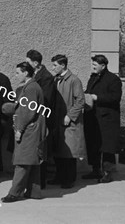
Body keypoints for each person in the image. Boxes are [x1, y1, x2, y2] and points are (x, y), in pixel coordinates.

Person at [1, 62, 47, 203]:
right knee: (31, 161)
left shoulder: (31, 88)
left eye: (17, 73)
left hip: (29, 129)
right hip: (32, 128)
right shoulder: (30, 87)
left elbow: (27, 111)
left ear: (26, 73)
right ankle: (34, 192)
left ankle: (14, 193)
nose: (16, 76)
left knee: (22, 161)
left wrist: (19, 129)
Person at [83, 54, 122, 183]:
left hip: (107, 120)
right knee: (93, 144)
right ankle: (95, 170)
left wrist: (96, 97)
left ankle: (107, 173)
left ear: (103, 66)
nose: (93, 67)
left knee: (107, 147)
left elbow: (115, 98)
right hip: (93, 117)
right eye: (92, 64)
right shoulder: (93, 78)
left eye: (95, 65)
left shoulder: (113, 79)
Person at [48, 54, 86, 189]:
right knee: (59, 151)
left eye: (55, 65)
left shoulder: (74, 80)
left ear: (63, 65)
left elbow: (80, 100)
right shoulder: (56, 80)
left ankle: (69, 179)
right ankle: (59, 177)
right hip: (57, 120)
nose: (53, 68)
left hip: (68, 122)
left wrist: (70, 115)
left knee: (69, 153)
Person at [25, 49, 56, 189]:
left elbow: (46, 99)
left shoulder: (46, 77)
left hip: (41, 118)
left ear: (35, 63)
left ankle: (40, 182)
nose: (26, 65)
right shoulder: (36, 75)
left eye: (28, 62)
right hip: (34, 117)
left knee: (40, 151)